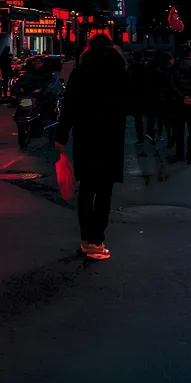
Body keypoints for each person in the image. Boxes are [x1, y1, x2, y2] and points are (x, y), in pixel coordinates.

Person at [54, 34, 133, 260]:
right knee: (105, 192)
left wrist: (61, 136)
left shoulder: (82, 71)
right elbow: (131, 102)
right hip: (111, 138)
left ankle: (86, 239)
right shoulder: (120, 72)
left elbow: (68, 106)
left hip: (86, 137)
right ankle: (98, 240)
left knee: (87, 190)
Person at [167, 42, 191, 163]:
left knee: (178, 131)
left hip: (178, 102)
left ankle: (180, 154)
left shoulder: (174, 67)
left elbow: (172, 85)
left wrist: (182, 96)